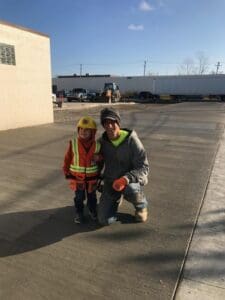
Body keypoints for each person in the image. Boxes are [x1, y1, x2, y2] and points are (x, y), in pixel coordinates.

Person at [98, 107, 149, 225]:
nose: (109, 126)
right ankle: (115, 198)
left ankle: (141, 206)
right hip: (111, 181)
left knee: (131, 189)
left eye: (112, 122)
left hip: (130, 181)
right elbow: (97, 164)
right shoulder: (101, 142)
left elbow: (144, 167)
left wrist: (125, 179)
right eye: (106, 123)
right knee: (104, 220)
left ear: (118, 123)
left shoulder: (132, 140)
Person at [63, 116, 102, 224]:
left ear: (93, 132)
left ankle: (92, 210)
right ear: (78, 130)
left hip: (92, 179)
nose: (83, 132)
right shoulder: (73, 143)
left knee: (92, 197)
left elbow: (101, 158)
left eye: (87, 130)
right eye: (81, 129)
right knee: (79, 197)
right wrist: (66, 171)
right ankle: (79, 213)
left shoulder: (97, 145)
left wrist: (99, 158)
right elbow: (67, 158)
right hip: (78, 178)